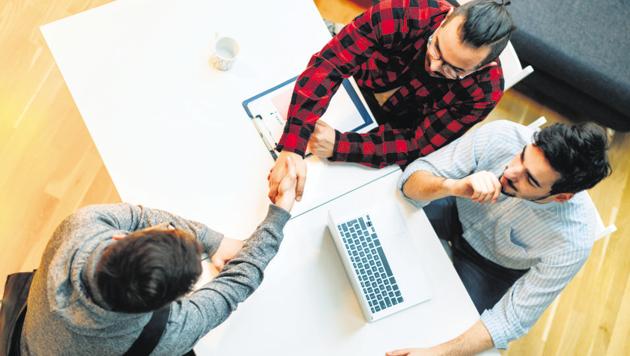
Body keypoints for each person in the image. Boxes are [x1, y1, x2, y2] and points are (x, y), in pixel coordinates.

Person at [20, 159, 298, 355]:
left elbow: (139, 217)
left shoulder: (80, 226)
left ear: (119, 238)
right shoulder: (164, 337)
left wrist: (215, 241)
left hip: (24, 340)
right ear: (171, 303)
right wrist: (280, 212)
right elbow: (232, 288)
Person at [386, 120, 611, 355]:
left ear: (562, 197)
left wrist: (438, 352)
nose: (510, 172)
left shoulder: (574, 240)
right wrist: (452, 186)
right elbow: (411, 180)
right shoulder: (501, 135)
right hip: (454, 207)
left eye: (530, 179)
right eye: (522, 156)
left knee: (438, 332)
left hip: (492, 269)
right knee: (383, 219)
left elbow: (511, 320)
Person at [268, 0, 514, 203]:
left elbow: (416, 143)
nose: (434, 65)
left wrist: (341, 146)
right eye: (436, 47)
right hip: (354, 78)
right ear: (446, 18)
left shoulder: (484, 92)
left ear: (483, 67)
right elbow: (331, 65)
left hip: (385, 130)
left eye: (453, 69)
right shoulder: (405, 11)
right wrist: (292, 147)